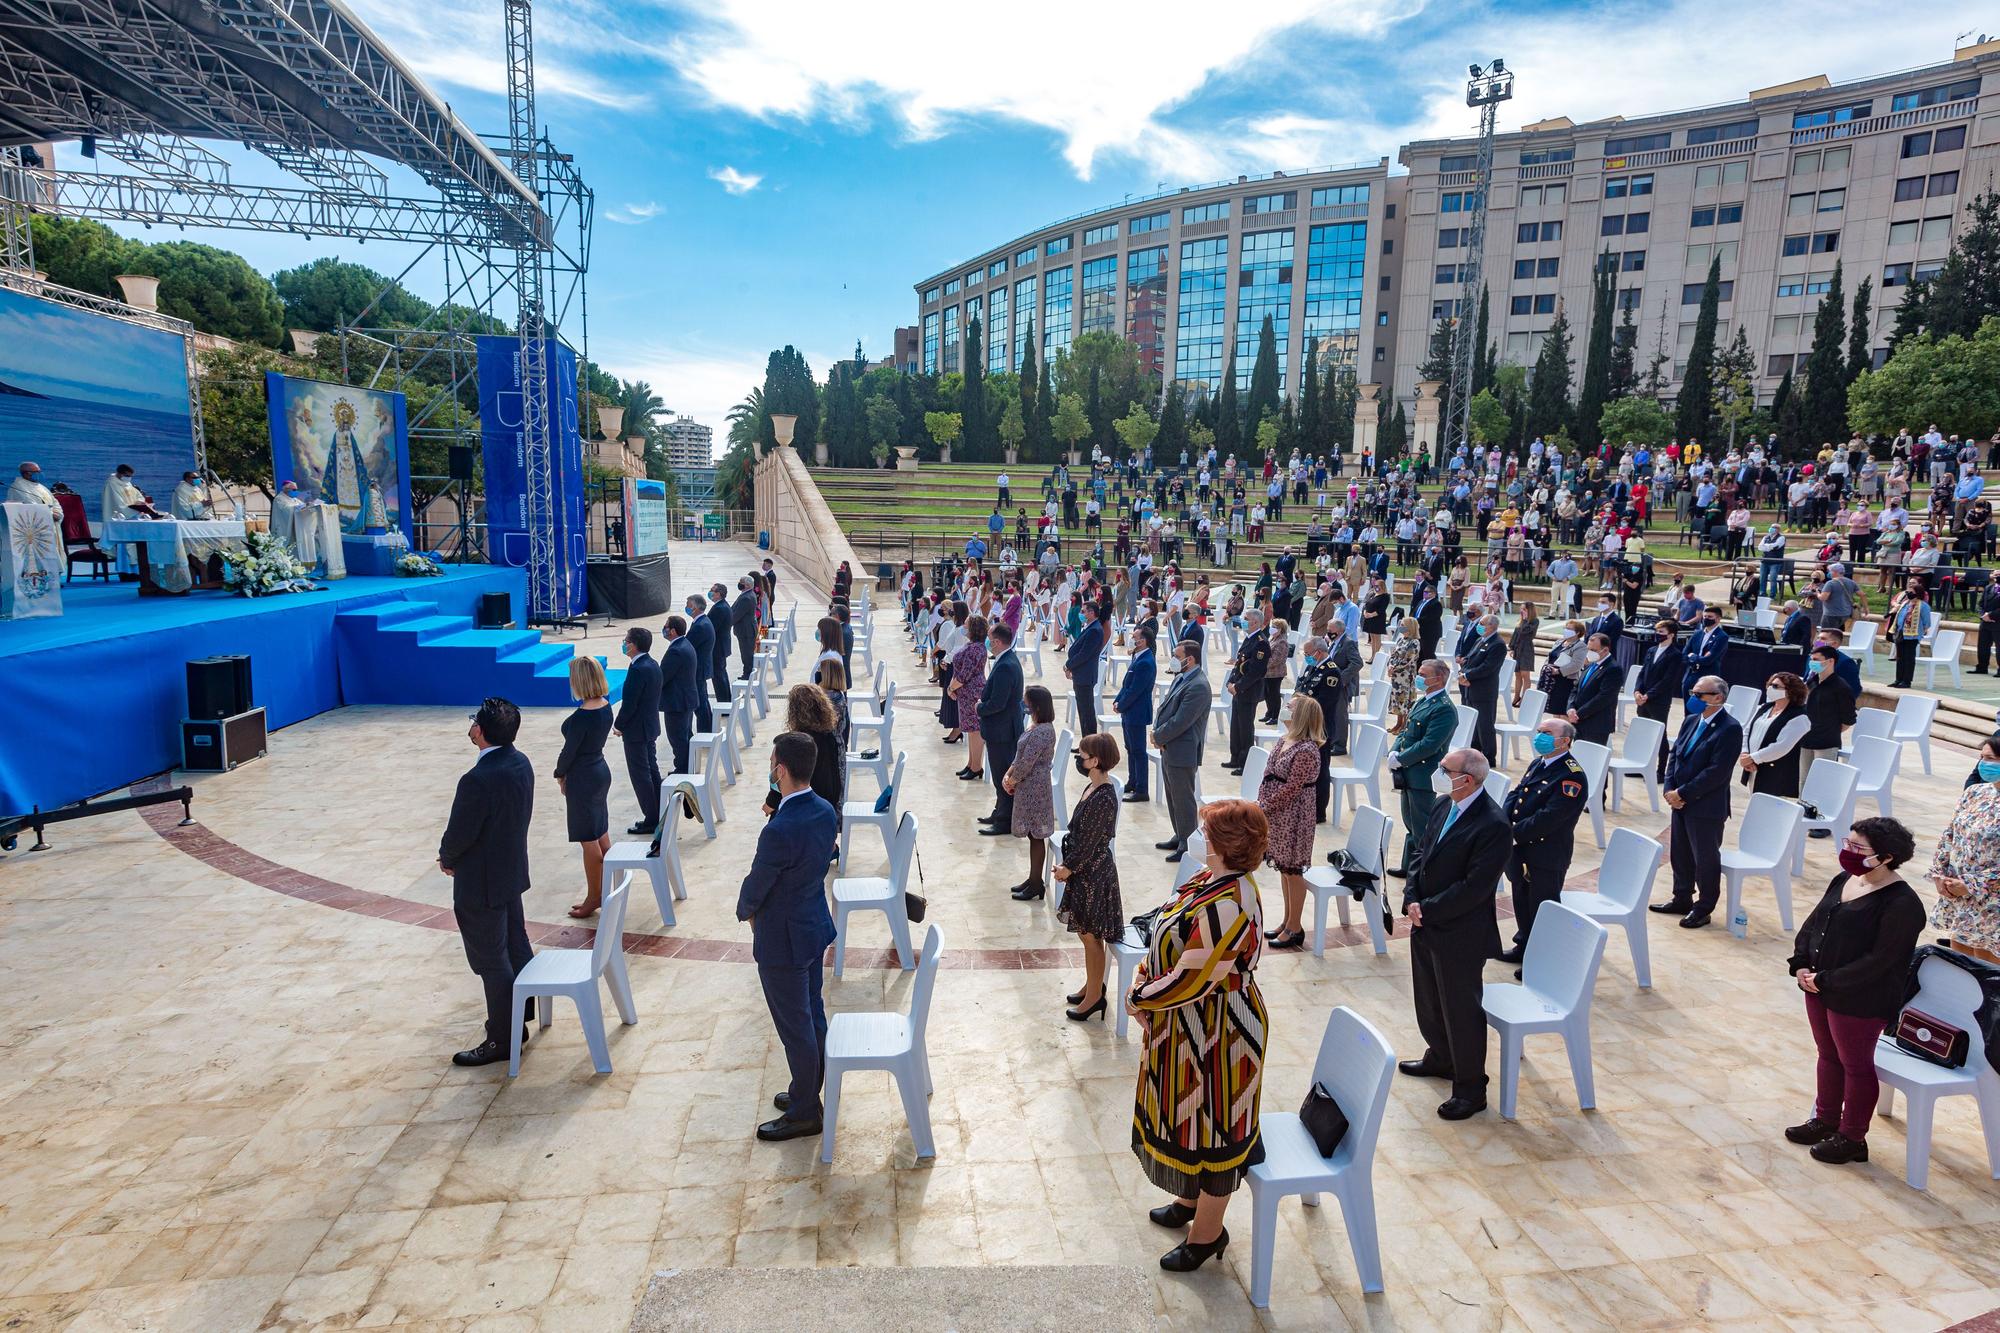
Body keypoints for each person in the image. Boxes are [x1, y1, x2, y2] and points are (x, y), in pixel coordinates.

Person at [1128, 798, 1270, 1272]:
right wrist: (1141, 979)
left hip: (1220, 1034)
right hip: (1187, 1025)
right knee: (1188, 1118)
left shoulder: (1230, 903)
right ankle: (1189, 1204)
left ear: (1227, 846)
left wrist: (1139, 998)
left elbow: (1193, 976)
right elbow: (1162, 933)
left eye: (1207, 832)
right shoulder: (1208, 878)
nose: (1199, 836)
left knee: (1216, 1127)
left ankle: (1208, 1234)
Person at [1786, 817, 1925, 1165]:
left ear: (1886, 857)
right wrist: (1801, 962)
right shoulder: (1846, 878)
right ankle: (1825, 1120)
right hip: (1819, 986)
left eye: (1857, 848)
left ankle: (1852, 1137)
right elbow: (1815, 923)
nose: (1848, 853)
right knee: (1827, 1055)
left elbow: (1880, 961)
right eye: (1847, 844)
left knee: (1856, 1065)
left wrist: (1826, 980)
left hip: (1859, 998)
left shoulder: (1902, 904)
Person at [738, 731, 841, 1142]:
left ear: (780, 770)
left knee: (794, 1024)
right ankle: (809, 1088)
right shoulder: (823, 810)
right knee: (811, 1012)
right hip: (812, 924)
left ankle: (804, 1111)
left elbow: (759, 881)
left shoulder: (779, 829)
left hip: (783, 936)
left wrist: (745, 911)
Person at [1399, 747, 1508, 1119]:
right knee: (1429, 1001)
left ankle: (1470, 1087)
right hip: (1425, 922)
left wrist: (1427, 909)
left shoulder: (1493, 824)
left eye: (1444, 769)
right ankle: (1441, 1057)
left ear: (1468, 779)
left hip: (1460, 932)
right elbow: (1420, 852)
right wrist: (1412, 896)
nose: (1438, 773)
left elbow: (1474, 888)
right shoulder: (1446, 805)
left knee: (1460, 1010)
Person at [438, 697, 536, 1068]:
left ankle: (502, 1038)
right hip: (510, 870)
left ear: (479, 731)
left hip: (481, 880)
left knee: (491, 961)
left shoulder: (477, 779)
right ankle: (518, 1016)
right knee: (515, 944)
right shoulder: (520, 763)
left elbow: (460, 831)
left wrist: (448, 859)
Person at [1652, 675, 1743, 928]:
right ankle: (1681, 897)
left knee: (1704, 859)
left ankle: (1703, 907)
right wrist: (1670, 787)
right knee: (1680, 854)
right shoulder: (1691, 720)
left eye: (1699, 694)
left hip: (1705, 806)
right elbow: (1675, 755)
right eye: (1692, 692)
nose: (1694, 698)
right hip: (1679, 800)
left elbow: (1717, 772)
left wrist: (1683, 793)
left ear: (1718, 698)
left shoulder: (1730, 728)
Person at [1500, 720, 1587, 969]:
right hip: (1522, 848)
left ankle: (1542, 959)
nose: (1540, 737)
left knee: (1541, 906)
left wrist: (1514, 833)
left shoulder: (1572, 776)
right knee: (1521, 898)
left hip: (1546, 853)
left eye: (1547, 733)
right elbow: (1516, 794)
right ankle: (1524, 945)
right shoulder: (1540, 762)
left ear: (1565, 741)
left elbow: (1551, 817)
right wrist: (1505, 822)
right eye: (1538, 731)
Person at [1055, 732, 1124, 1014]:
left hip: (1093, 874)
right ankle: (1092, 985)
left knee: (1092, 937)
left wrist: (1067, 868)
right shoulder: (1093, 788)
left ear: (1095, 761)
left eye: (1082, 757)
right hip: (1086, 872)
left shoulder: (1104, 797)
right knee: (1086, 935)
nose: (1079, 761)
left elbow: (1089, 842)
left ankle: (1094, 996)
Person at [1257, 695, 1324, 950]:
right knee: (1284, 870)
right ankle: (1286, 921)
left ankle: (1295, 926)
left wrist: (1265, 806)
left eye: (1291, 708)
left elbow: (1293, 789)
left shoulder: (1306, 749)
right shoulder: (1284, 740)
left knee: (1293, 871)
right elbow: (1269, 773)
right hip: (1277, 814)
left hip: (1294, 816)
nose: (1285, 709)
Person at [1930, 734, 2000, 963]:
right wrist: (1939, 875)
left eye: (1989, 758)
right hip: (1960, 895)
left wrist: (1970, 885)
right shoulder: (1975, 792)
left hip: (1992, 900)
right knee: (1959, 961)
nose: (1983, 764)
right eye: (1981, 757)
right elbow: (1950, 834)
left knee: (1988, 967)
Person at [555, 657, 616, 919]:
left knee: (588, 840)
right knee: (601, 833)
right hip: (599, 771)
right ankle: (608, 888)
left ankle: (594, 896)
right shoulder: (606, 706)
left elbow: (569, 752)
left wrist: (560, 774)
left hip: (583, 777)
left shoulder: (582, 717)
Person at [1387, 660, 1457, 876]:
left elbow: (1430, 744)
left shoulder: (1444, 709)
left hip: (1422, 775)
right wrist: (1395, 751)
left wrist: (1402, 759)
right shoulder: (1423, 702)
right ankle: (1410, 867)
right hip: (1408, 772)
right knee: (1410, 823)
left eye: (1423, 674)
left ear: (1438, 679)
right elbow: (1407, 731)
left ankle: (1423, 872)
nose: (1419, 678)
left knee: (1423, 827)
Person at [1151, 638, 1211, 862]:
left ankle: (1188, 843)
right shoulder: (1182, 678)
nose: (1173, 660)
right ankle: (1179, 835)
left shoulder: (1198, 686)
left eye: (1177, 656)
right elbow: (1167, 708)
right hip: (1170, 747)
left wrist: (1158, 735)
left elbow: (1181, 721)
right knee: (1172, 795)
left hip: (1182, 750)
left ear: (1190, 659)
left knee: (1184, 799)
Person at [1002, 686, 1059, 898]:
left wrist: (1012, 780)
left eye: (1026, 701)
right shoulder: (1035, 726)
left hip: (1035, 788)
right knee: (1031, 835)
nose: (1023, 704)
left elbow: (1027, 762)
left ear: (1035, 705)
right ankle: (1032, 878)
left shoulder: (1044, 731)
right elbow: (1020, 756)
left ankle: (1036, 883)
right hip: (1027, 786)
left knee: (1036, 835)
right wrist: (1008, 775)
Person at [979, 622, 1026, 834]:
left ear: (997, 642)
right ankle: (1000, 811)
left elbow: (998, 702)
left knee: (1002, 776)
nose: (988, 641)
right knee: (1000, 775)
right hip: (1002, 728)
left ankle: (1004, 821)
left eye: (990, 638)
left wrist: (979, 708)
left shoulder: (1006, 665)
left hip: (1002, 730)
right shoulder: (1005, 659)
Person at [615, 626, 663, 835]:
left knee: (640, 774)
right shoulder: (652, 664)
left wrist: (619, 725)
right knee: (651, 770)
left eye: (626, 641)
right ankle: (659, 811)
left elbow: (630, 703)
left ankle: (651, 818)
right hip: (649, 726)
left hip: (637, 730)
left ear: (634, 645)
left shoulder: (637, 670)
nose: (624, 644)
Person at [769, 684, 845, 815]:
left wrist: (771, 802)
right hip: (830, 800)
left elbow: (787, 779)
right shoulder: (830, 735)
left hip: (808, 803)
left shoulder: (802, 742)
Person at [1740, 672, 1810, 798]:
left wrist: (1753, 758)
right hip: (1753, 766)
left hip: (1776, 772)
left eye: (1776, 686)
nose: (1770, 688)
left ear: (1790, 691)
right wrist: (1745, 753)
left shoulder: (1799, 716)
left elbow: (1781, 747)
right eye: (1770, 685)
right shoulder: (1765, 708)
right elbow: (1747, 731)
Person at [1799, 644, 1857, 792]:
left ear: (1830, 661)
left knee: (1821, 782)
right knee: (1804, 781)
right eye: (1812, 659)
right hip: (1807, 738)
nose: (1813, 663)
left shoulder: (1841, 687)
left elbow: (1848, 719)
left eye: (1817, 659)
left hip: (1826, 742)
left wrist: (1829, 730)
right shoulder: (1812, 682)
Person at [1114, 624, 1157, 802]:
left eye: (1135, 636)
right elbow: (1126, 684)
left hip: (1136, 712)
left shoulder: (1146, 661)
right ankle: (1133, 781)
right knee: (1130, 748)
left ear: (1143, 640)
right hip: (1129, 710)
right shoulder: (1138, 657)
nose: (1132, 638)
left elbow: (1136, 690)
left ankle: (1142, 789)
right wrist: (1118, 700)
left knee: (1138, 750)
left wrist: (1122, 705)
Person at [1224, 610, 1271, 774]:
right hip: (1238, 690)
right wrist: (1230, 682)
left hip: (1248, 692)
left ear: (1256, 623)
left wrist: (1238, 687)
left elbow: (1256, 672)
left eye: (1246, 619)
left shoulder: (1261, 643)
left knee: (1245, 729)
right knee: (1235, 726)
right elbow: (1239, 664)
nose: (1243, 622)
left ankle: (1245, 764)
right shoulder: (1249, 638)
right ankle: (1235, 757)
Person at [948, 614, 990, 782]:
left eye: (966, 624)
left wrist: (952, 687)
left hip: (972, 692)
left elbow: (965, 674)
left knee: (974, 731)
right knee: (970, 730)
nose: (963, 627)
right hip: (965, 692)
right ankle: (971, 763)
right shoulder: (971, 646)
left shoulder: (976, 649)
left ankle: (976, 767)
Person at [1460, 614, 1506, 762]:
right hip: (1470, 688)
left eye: (1482, 623)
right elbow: (1470, 659)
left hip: (1484, 691)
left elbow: (1488, 668)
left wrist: (1467, 676)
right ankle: (1475, 753)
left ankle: (1488, 758)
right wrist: (1463, 672)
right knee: (1473, 726)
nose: (1479, 625)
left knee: (1485, 726)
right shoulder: (1481, 640)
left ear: (1492, 626)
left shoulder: (1497, 644)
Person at [658, 615, 700, 777]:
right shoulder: (684, 644)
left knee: (678, 739)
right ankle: (686, 767)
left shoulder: (676, 651)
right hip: (685, 699)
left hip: (677, 703)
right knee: (684, 735)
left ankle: (682, 770)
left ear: (673, 631)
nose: (664, 629)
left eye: (666, 626)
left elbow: (663, 676)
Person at [1065, 599, 1107, 738]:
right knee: (1082, 712)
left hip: (1085, 675)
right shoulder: (1089, 626)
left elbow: (1084, 654)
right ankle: (1085, 743)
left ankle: (1090, 745)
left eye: (1083, 611)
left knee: (1087, 713)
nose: (1081, 614)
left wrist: (1069, 665)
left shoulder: (1095, 630)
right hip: (1081, 674)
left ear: (1091, 613)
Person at [1886, 578, 1933, 689]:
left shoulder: (1923, 606)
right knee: (1900, 657)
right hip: (1901, 633)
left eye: (1912, 592)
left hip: (1912, 635)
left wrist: (1923, 630)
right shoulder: (1905, 603)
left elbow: (1927, 622)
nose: (1909, 593)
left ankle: (1907, 681)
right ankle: (1898, 679)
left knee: (1909, 658)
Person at [1680, 607, 1729, 702]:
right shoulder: (1697, 633)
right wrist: (1696, 659)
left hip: (1708, 678)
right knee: (1688, 708)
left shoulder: (1722, 637)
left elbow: (1709, 659)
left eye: (1710, 617)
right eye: (1705, 616)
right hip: (1690, 675)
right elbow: (1684, 654)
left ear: (1718, 619)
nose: (1706, 619)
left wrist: (1693, 657)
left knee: (1702, 708)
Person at [683, 593, 715, 736]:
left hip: (698, 669)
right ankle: (707, 728)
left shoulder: (700, 626)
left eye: (688, 605)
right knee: (702, 700)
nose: (686, 608)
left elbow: (687, 646)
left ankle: (705, 731)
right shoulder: (702, 622)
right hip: (701, 667)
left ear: (695, 607)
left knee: (700, 702)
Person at [1509, 600, 1540, 707]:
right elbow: (1515, 634)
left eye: (1524, 609)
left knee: (1525, 674)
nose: (1522, 611)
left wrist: (1526, 620)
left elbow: (1525, 632)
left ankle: (1525, 698)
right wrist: (1511, 647)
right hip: (1518, 649)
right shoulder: (1520, 621)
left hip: (1526, 649)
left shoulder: (1534, 621)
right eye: (1521, 609)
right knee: (1517, 674)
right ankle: (1517, 696)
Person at [706, 583, 735, 700]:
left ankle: (724, 703)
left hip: (718, 648)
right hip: (721, 647)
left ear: (719, 593)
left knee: (718, 676)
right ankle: (726, 700)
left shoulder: (719, 608)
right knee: (721, 674)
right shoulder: (721, 606)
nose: (710, 592)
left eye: (712, 590)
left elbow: (711, 629)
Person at [732, 574, 760, 677]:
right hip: (746, 630)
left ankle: (748, 675)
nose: (739, 585)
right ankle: (747, 673)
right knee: (746, 653)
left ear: (747, 585)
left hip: (746, 631)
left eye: (741, 583)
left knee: (746, 654)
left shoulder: (746, 598)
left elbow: (736, 615)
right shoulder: (746, 594)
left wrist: (725, 625)